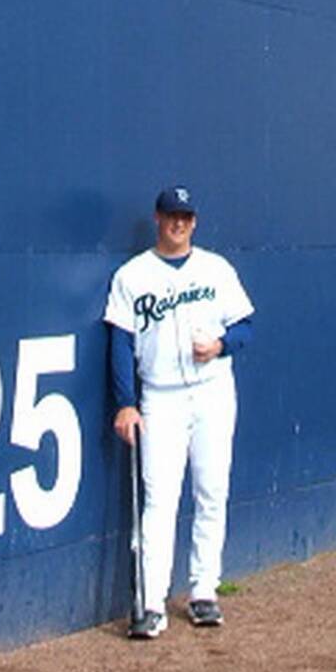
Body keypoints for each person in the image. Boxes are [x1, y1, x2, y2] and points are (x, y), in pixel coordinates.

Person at [103, 185, 254, 639]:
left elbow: (246, 327)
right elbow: (120, 342)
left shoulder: (216, 269)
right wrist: (126, 402)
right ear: (157, 218)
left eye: (186, 216)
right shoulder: (132, 275)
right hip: (161, 396)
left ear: (195, 221)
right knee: (160, 500)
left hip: (211, 391)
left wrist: (221, 345)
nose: (179, 223)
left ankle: (204, 591)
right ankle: (150, 605)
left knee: (211, 490)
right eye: (172, 215)